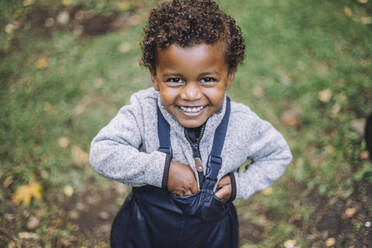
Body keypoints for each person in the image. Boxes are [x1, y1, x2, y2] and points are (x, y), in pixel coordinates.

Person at [89, 0, 292, 247]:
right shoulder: (143, 112)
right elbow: (102, 152)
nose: (191, 94)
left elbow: (278, 155)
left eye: (207, 79)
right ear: (155, 76)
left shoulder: (243, 125)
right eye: (175, 79)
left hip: (212, 237)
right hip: (145, 234)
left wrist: (241, 185)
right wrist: (162, 171)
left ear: (228, 76)